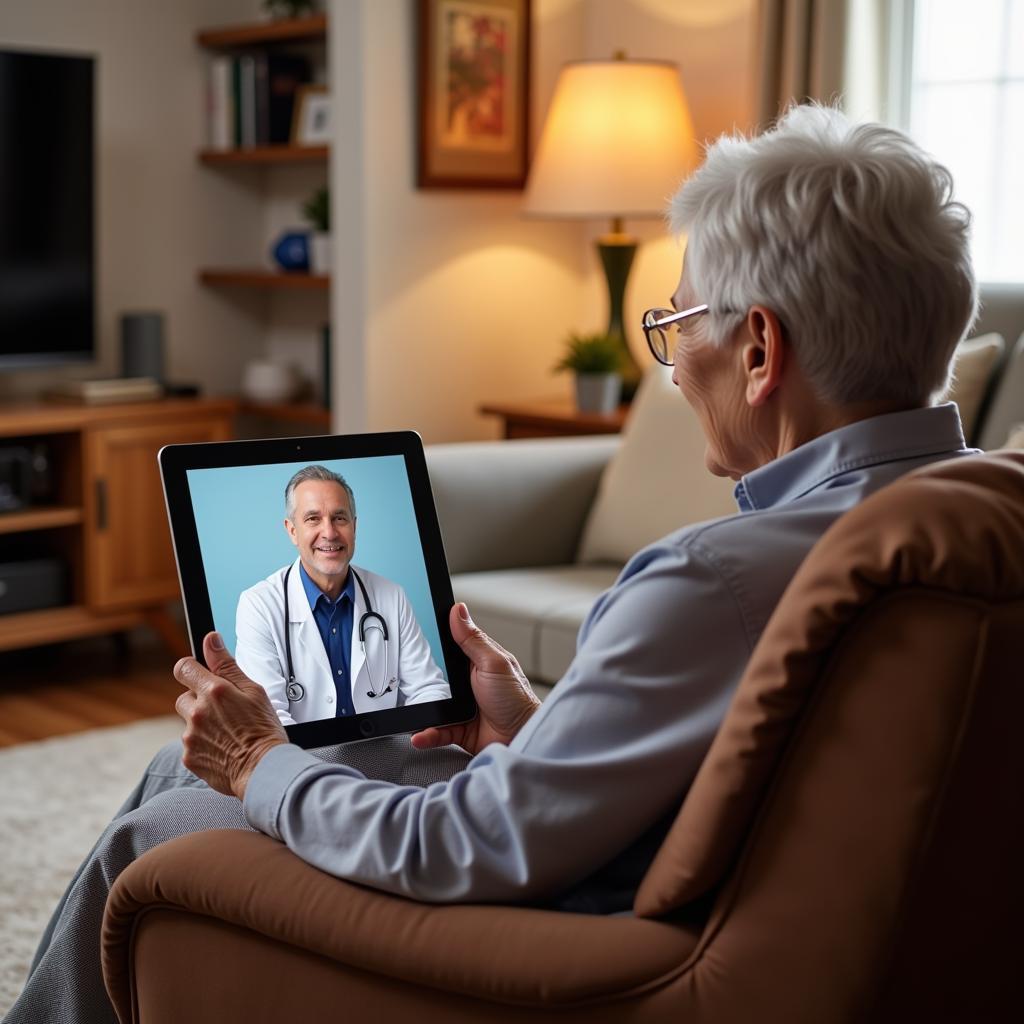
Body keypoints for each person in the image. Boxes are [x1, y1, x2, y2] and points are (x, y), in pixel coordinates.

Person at [7, 103, 980, 1024]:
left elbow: (464, 846)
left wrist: (259, 759)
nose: (675, 368)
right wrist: (536, 728)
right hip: (680, 883)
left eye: (678, 329)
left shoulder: (714, 578)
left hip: (573, 937)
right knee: (198, 766)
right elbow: (723, 767)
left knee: (169, 823)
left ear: (760, 347)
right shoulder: (971, 524)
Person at [235, 465, 451, 724]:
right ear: (292, 530)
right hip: (302, 758)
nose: (329, 532)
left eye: (339, 518)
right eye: (313, 518)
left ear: (354, 526)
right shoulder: (258, 605)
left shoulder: (391, 596)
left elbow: (429, 690)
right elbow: (266, 717)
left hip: (387, 749)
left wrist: (409, 746)